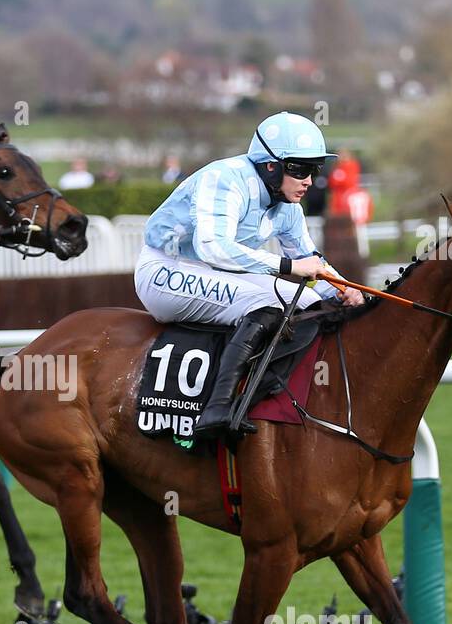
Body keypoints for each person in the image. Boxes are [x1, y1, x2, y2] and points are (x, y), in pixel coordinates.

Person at [134, 111, 364, 438]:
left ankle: (273, 394)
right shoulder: (225, 179)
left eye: (314, 170)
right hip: (165, 272)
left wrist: (344, 291)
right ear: (270, 166)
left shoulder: (288, 207)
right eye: (299, 169)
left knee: (312, 302)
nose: (309, 181)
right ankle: (219, 407)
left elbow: (309, 260)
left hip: (215, 275)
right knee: (274, 301)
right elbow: (214, 248)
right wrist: (288, 268)